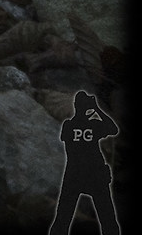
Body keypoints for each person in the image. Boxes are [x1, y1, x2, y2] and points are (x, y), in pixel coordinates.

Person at [51, 90, 122, 235]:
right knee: (107, 219)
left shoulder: (68, 125)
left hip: (74, 173)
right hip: (94, 172)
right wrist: (96, 110)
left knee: (63, 218)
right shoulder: (94, 125)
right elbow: (113, 129)